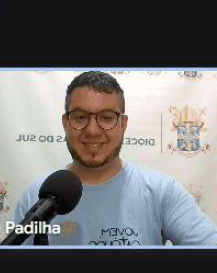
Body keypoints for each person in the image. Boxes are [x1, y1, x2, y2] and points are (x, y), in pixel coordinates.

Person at [12, 71, 217, 246]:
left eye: (106, 117)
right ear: (66, 122)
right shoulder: (37, 196)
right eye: (81, 117)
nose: (92, 131)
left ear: (123, 123)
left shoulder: (160, 190)